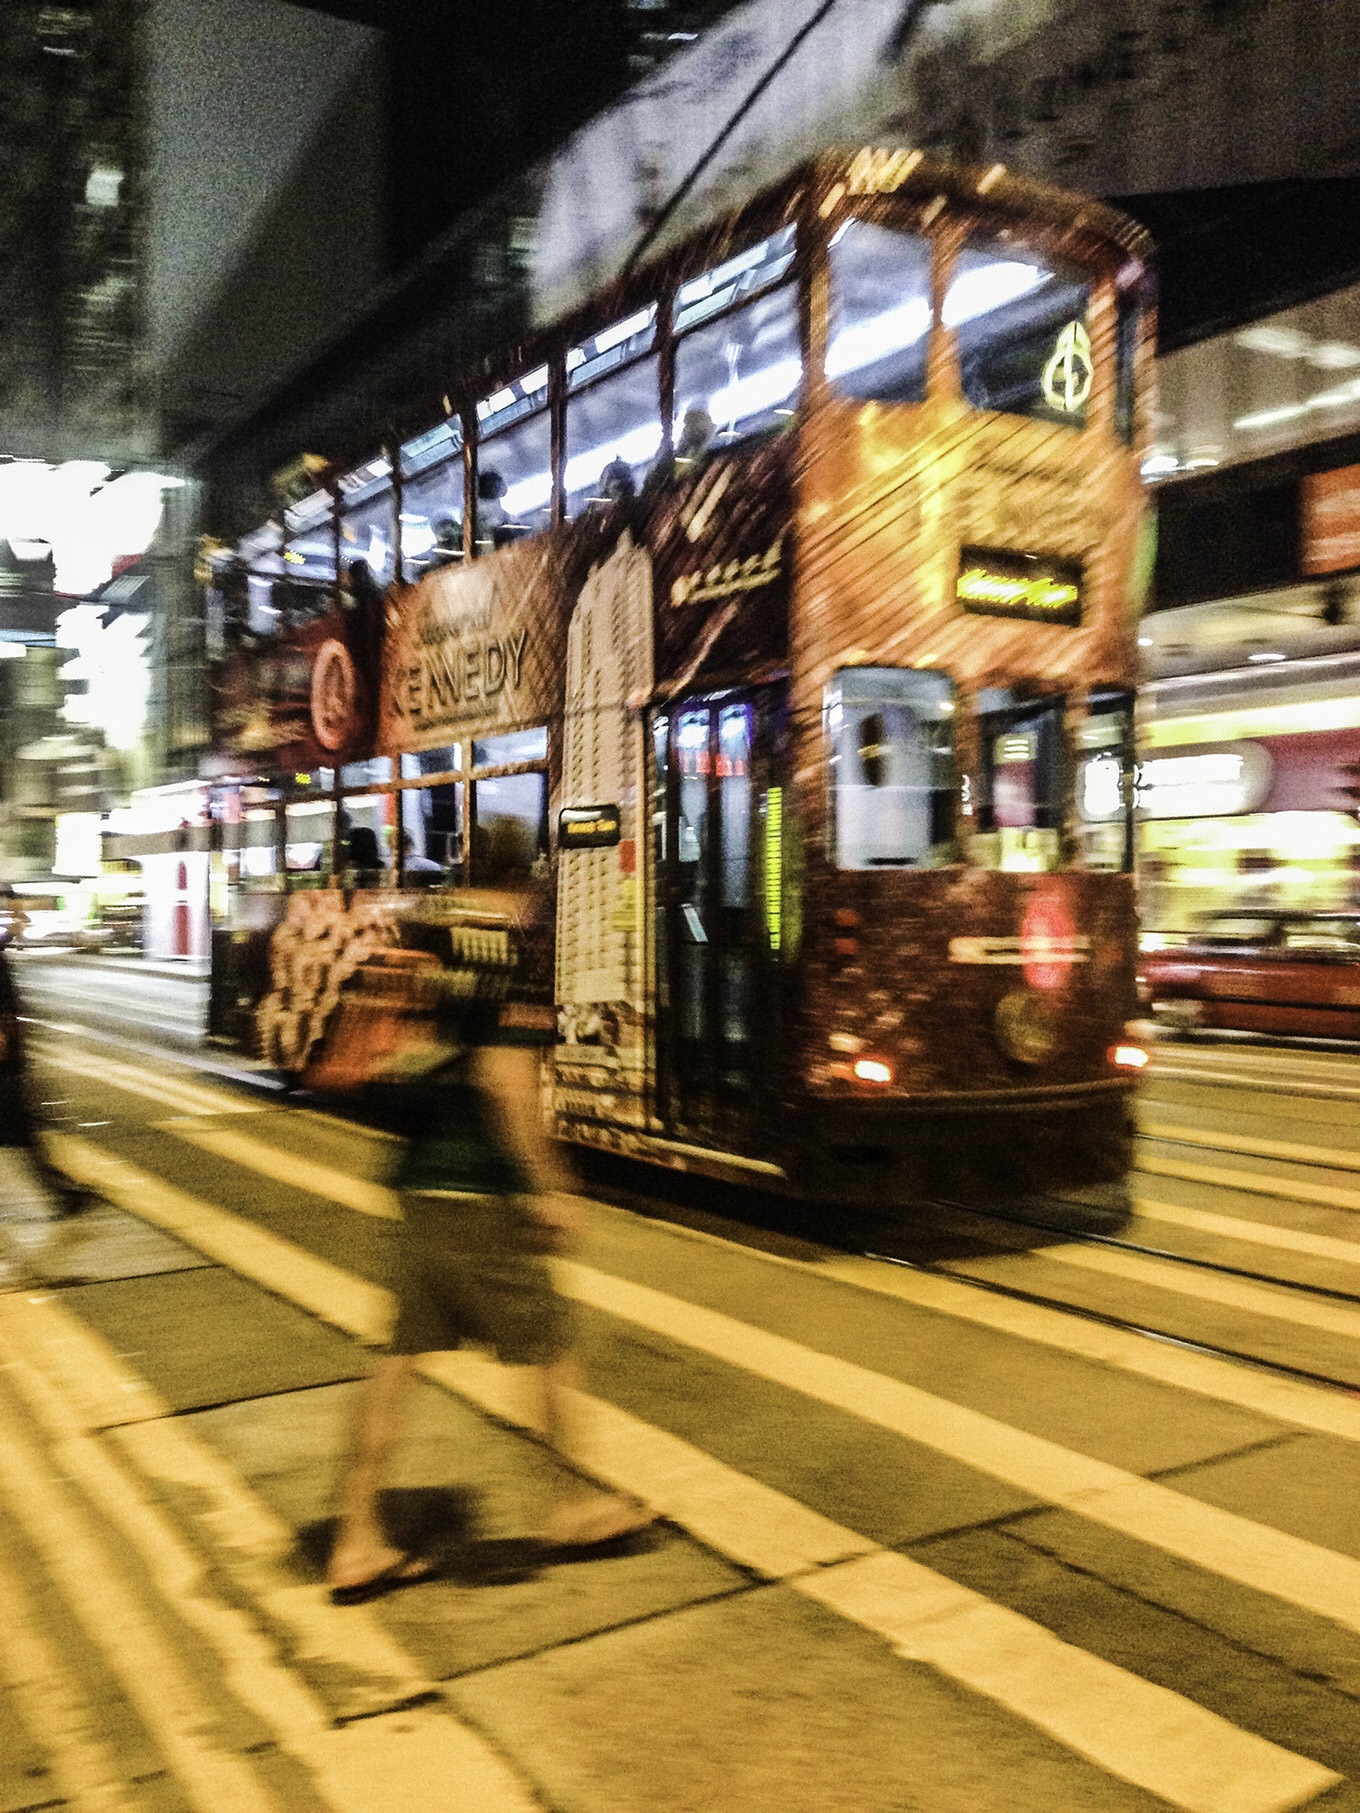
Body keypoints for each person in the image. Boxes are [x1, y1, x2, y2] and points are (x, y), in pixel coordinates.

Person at [325, 872, 655, 1603]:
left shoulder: (431, 936)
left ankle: (355, 1539)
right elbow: (506, 1079)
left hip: (417, 1178)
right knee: (550, 1347)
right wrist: (550, 1182)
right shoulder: (510, 954)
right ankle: (573, 1504)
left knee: (396, 1361)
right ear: (525, 887)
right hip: (478, 1191)